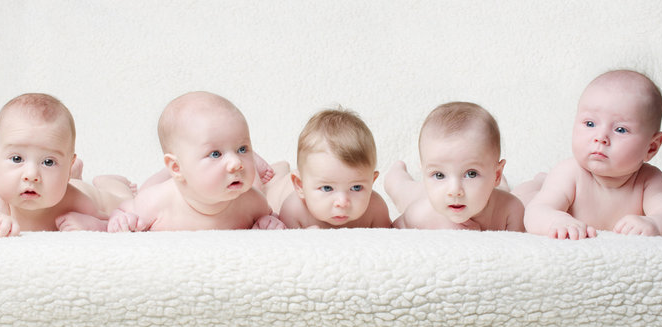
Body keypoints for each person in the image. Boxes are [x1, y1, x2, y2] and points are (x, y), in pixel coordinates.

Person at [518, 70, 662, 239]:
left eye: (621, 129)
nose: (600, 138)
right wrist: (557, 220)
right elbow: (536, 211)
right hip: (534, 195)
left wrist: (655, 224)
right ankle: (536, 181)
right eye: (590, 123)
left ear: (651, 147)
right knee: (519, 200)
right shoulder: (570, 172)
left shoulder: (649, 180)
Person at [0, 93, 135, 236]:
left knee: (124, 200)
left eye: (48, 162)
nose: (31, 174)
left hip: (86, 191)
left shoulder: (74, 200)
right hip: (64, 179)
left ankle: (108, 181)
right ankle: (67, 170)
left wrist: (92, 224)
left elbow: (114, 218)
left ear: (67, 168)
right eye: (17, 159)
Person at [107, 91, 284, 231]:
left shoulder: (252, 202)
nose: (236, 162)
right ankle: (119, 180)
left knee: (260, 183)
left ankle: (264, 165)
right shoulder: (156, 202)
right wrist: (120, 219)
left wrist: (268, 221)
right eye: (215, 154)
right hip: (167, 183)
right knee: (142, 188)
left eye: (242, 149)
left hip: (195, 176)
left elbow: (269, 215)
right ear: (176, 167)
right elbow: (122, 210)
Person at [384, 102, 524, 231]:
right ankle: (395, 173)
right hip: (422, 195)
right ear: (424, 174)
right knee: (401, 190)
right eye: (439, 175)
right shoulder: (420, 215)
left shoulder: (510, 210)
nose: (455, 190)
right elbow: (394, 235)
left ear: (497, 175)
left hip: (491, 189)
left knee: (503, 191)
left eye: (471, 174)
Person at [261, 108, 392, 229]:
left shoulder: (376, 210)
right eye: (327, 188)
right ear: (300, 185)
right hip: (284, 189)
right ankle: (280, 170)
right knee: (270, 190)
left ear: (372, 181)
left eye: (356, 187)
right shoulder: (293, 210)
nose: (342, 202)